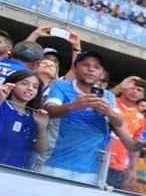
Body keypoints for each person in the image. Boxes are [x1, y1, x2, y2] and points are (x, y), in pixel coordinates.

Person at [40, 50, 136, 184]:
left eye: (96, 67)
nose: (91, 69)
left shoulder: (107, 96)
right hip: (54, 165)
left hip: (90, 172)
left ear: (101, 73)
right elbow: (50, 110)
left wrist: (108, 111)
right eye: (86, 65)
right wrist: (74, 105)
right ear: (75, 67)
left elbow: (118, 122)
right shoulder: (60, 86)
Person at [106, 76, 146, 188]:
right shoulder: (110, 101)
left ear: (142, 96)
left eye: (139, 90)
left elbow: (134, 144)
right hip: (96, 157)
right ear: (124, 88)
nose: (135, 91)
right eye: (132, 88)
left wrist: (133, 168)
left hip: (117, 166)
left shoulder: (140, 118)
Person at [0, 70, 49, 168]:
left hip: (17, 172)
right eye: (24, 84)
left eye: (35, 87)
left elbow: (41, 149)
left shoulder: (35, 116)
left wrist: (42, 127)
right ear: (11, 85)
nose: (30, 88)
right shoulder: (2, 105)